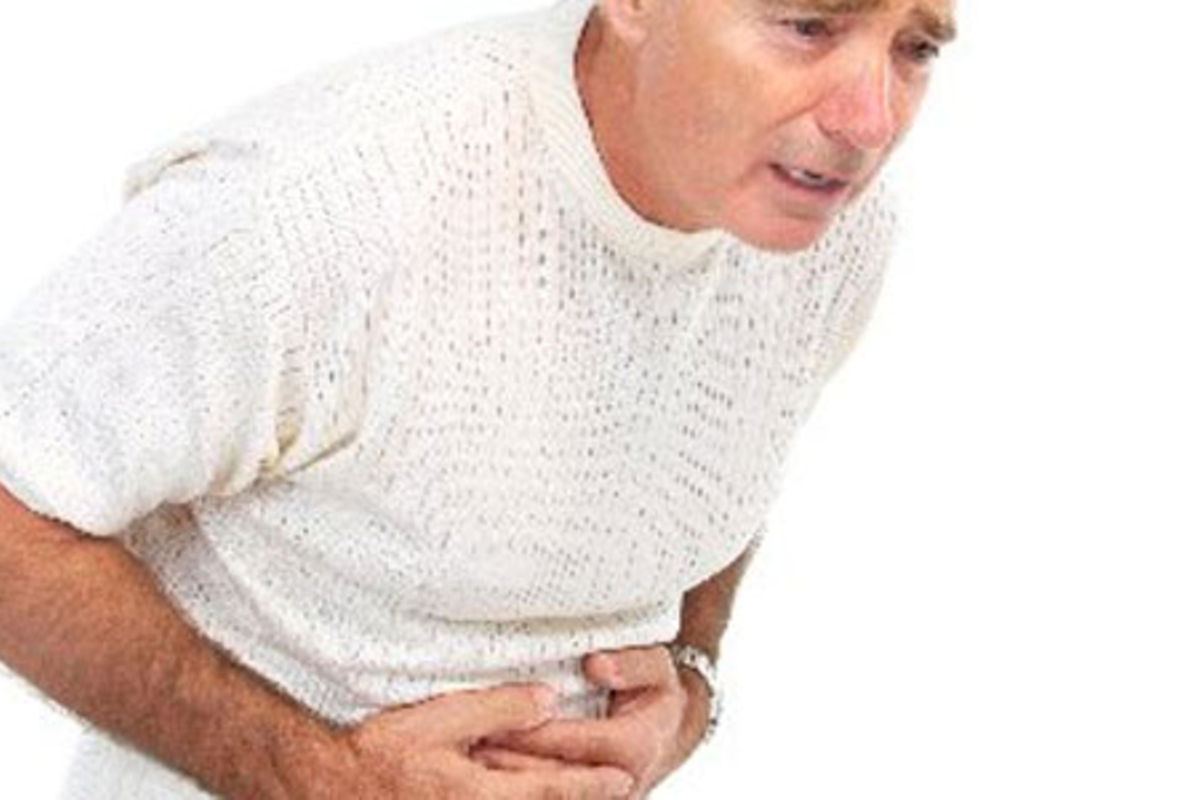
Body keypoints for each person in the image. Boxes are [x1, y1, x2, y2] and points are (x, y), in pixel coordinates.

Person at [0, 0, 955, 796]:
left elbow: (721, 456)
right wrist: (320, 776)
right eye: (808, 25)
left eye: (916, 47)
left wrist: (691, 681)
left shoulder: (827, 231)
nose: (871, 120)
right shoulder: (326, 202)